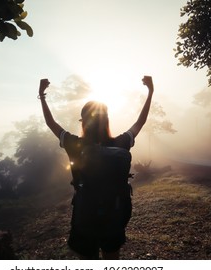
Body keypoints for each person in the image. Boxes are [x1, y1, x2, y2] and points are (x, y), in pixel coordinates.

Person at [38, 75, 154, 259]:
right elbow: (140, 122)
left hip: (84, 218)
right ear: (107, 121)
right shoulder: (120, 143)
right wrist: (150, 92)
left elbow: (51, 123)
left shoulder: (75, 144)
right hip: (114, 217)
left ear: (83, 123)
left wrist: (42, 96)